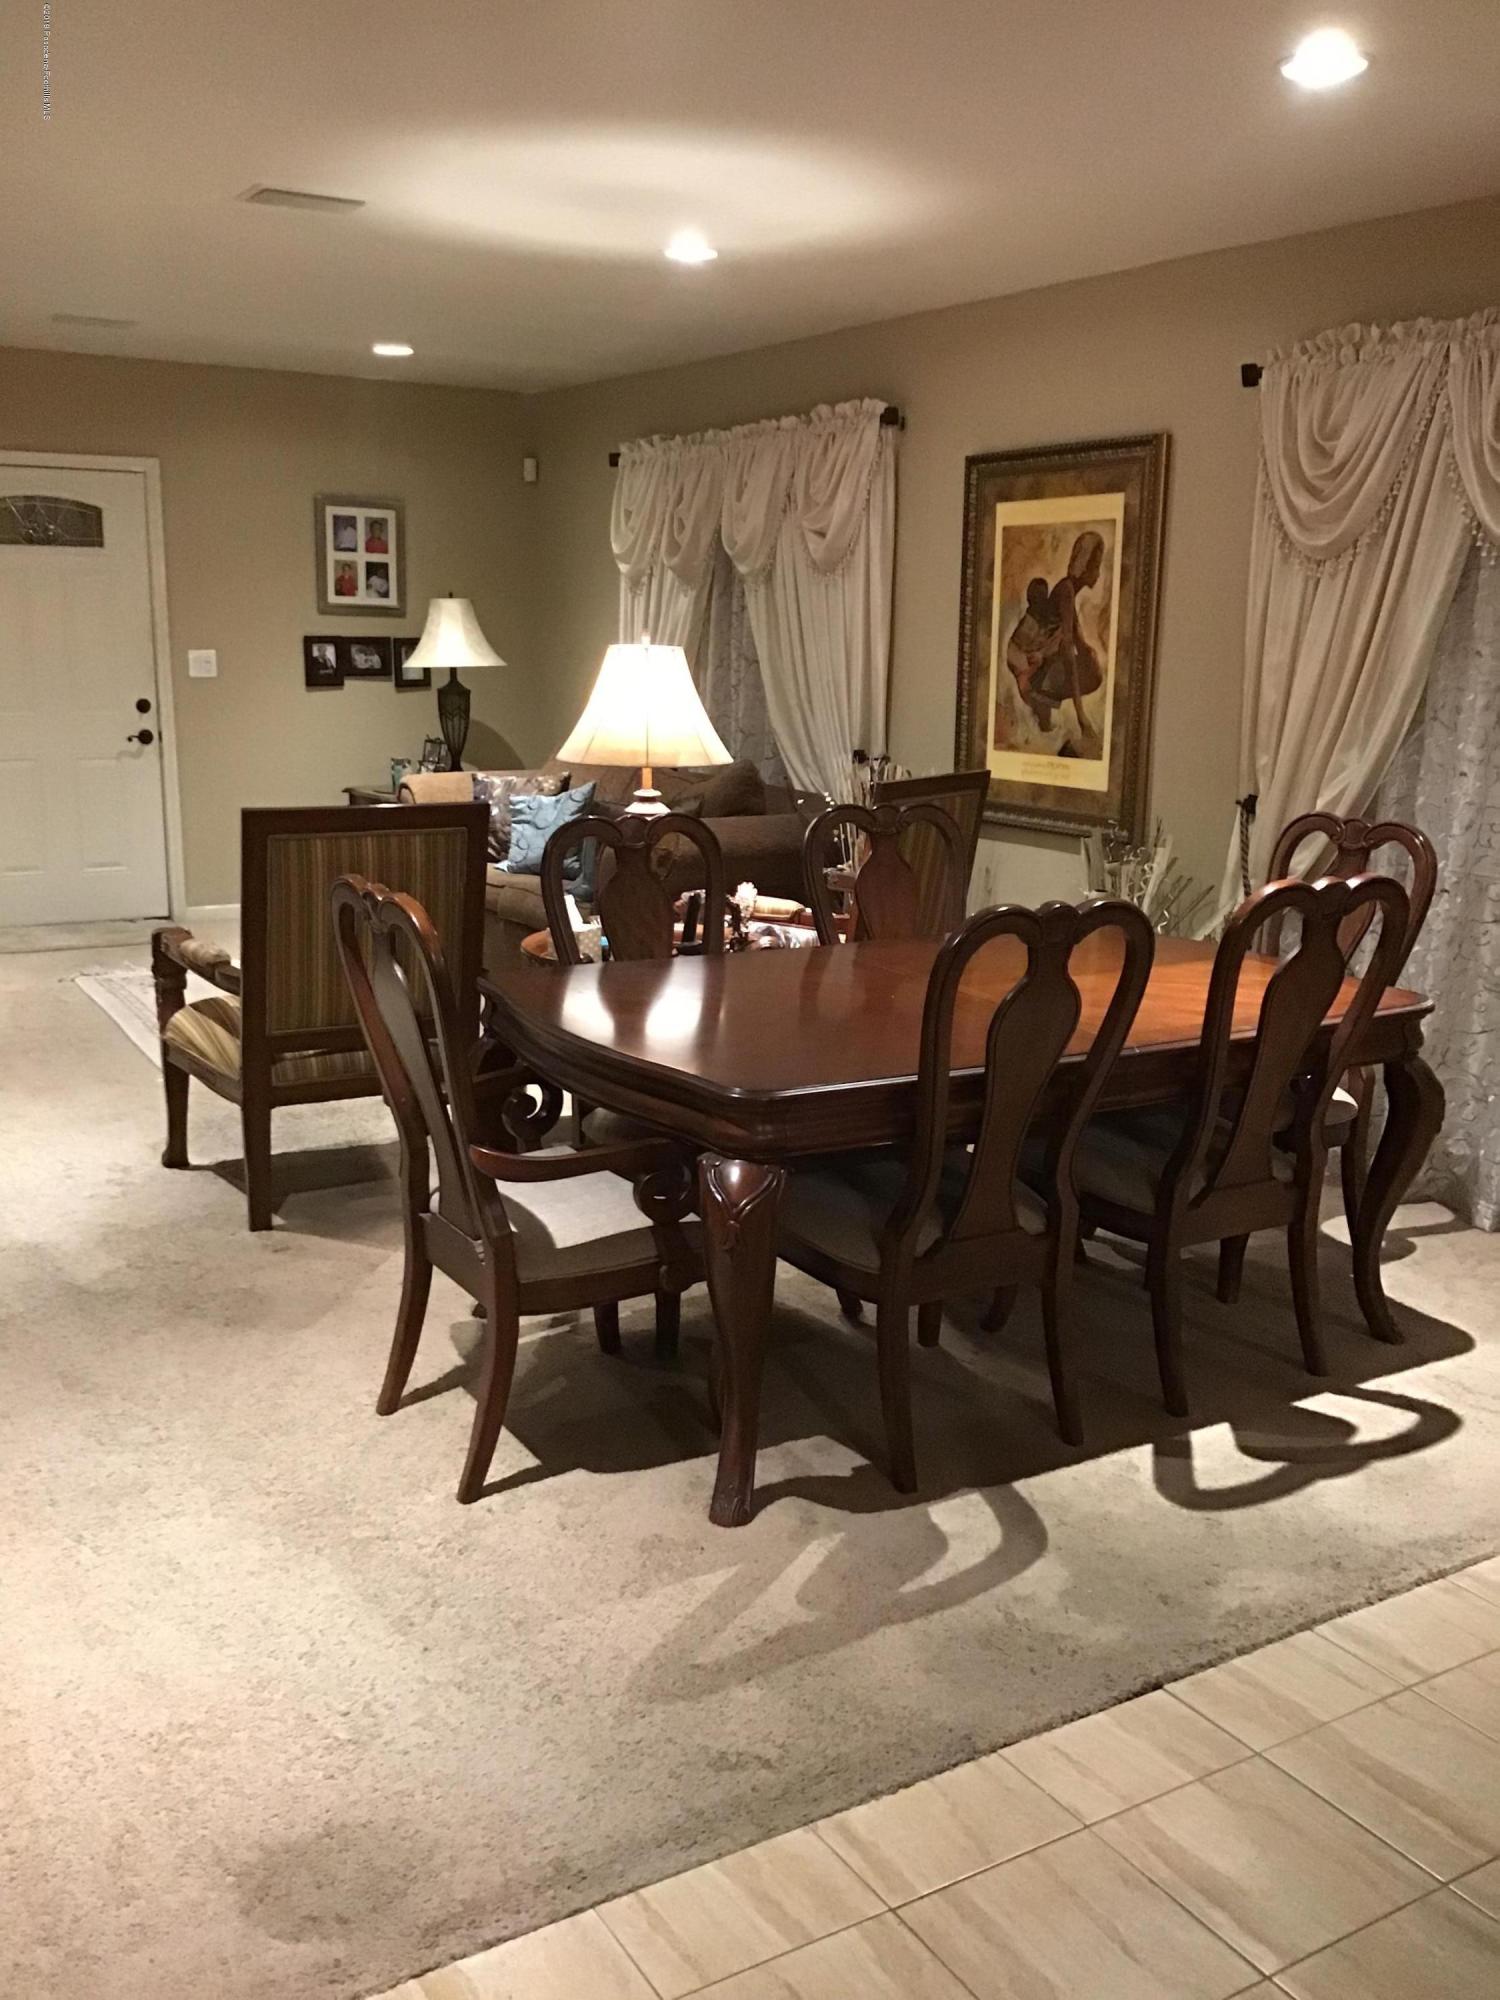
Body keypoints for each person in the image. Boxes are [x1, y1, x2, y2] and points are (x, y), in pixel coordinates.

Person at [1004, 530, 1106, 742]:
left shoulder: (1068, 591)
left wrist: (1086, 651)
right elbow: (1067, 649)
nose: (1098, 572)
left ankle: (1043, 703)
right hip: (1026, 660)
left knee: (1092, 662)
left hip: (1038, 660)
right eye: (1096, 565)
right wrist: (1082, 717)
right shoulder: (1066, 590)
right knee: (1089, 668)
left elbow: (1076, 640)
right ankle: (1040, 696)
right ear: (1085, 565)